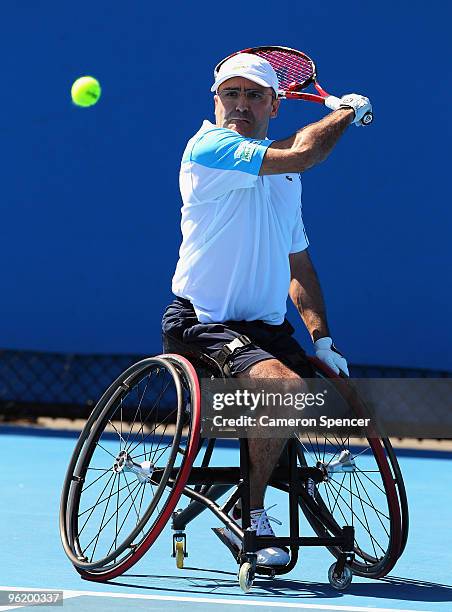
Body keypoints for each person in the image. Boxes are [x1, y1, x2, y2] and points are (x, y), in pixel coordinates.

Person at [162, 52, 372, 566]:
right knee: (282, 388)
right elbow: (303, 152)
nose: (239, 104)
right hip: (202, 325)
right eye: (229, 94)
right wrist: (344, 113)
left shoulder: (283, 181)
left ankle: (264, 477)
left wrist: (323, 341)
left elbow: (299, 267)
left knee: (353, 404)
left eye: (254, 95)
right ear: (215, 102)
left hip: (267, 330)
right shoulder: (209, 148)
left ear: (275, 105)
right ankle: (253, 516)